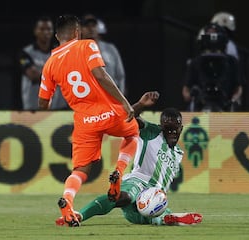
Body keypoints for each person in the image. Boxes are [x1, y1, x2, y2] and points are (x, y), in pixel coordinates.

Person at [38, 14, 139, 227]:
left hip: (84, 120)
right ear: (77, 32)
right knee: (133, 134)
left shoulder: (49, 64)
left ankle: (68, 199)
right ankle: (118, 173)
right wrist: (125, 102)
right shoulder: (87, 45)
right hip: (108, 111)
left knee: (81, 169)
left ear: (57, 36)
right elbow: (101, 75)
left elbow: (43, 104)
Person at [55, 91, 203, 227]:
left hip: (154, 195)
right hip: (137, 181)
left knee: (151, 216)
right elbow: (127, 117)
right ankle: (78, 215)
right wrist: (141, 105)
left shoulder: (178, 154)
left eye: (174, 128)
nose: (171, 131)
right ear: (161, 126)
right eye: (167, 128)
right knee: (124, 197)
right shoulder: (151, 132)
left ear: (181, 129)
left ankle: (166, 218)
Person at [182, 23, 243, 112]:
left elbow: (238, 88)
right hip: (201, 108)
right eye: (209, 34)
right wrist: (191, 97)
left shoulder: (232, 62)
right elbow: (186, 90)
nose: (212, 37)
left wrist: (233, 101)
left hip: (225, 107)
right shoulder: (195, 62)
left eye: (215, 34)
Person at [19, 16, 68, 110]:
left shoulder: (60, 51)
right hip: (33, 107)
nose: (46, 32)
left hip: (58, 107)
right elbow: (32, 75)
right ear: (35, 31)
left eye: (49, 29)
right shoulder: (25, 53)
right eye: (42, 29)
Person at [80, 14, 127, 95]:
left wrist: (121, 96)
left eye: (93, 25)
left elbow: (120, 75)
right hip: (87, 96)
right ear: (80, 29)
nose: (91, 28)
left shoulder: (110, 48)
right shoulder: (76, 50)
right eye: (86, 26)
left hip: (111, 95)